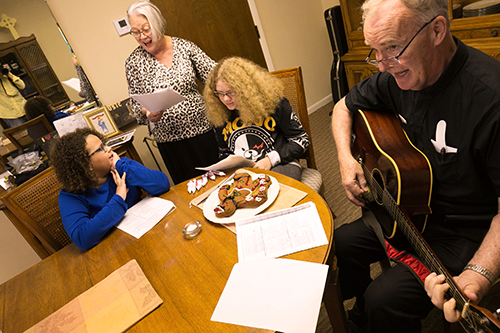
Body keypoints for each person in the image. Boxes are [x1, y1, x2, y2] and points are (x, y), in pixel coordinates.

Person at [330, 0, 500, 331]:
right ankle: (357, 316)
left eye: (392, 48)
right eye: (374, 51)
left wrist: (478, 274)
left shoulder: (490, 99)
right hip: (406, 206)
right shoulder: (395, 75)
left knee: (385, 299)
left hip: (464, 231)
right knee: (341, 243)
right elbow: (342, 107)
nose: (381, 66)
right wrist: (345, 157)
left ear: (437, 30)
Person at [125, 0, 219, 184]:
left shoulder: (185, 47)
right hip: (170, 143)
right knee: (189, 190)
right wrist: (147, 112)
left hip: (203, 133)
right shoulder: (133, 63)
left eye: (146, 29)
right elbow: (135, 105)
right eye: (135, 32)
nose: (142, 36)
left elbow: (214, 76)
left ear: (157, 24)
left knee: (219, 183)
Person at [51, 128, 170, 251]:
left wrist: (122, 167)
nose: (109, 149)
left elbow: (162, 184)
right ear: (86, 164)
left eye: (105, 144)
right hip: (113, 250)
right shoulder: (70, 196)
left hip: (146, 234)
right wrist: (119, 198)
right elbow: (82, 238)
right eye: (101, 149)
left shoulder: (121, 165)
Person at [203, 57, 310, 181]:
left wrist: (270, 159)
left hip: (279, 164)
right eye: (220, 93)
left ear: (246, 89)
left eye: (231, 92)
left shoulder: (274, 104)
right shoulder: (219, 110)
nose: (226, 99)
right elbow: (224, 152)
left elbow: (301, 140)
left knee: (274, 193)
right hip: (243, 171)